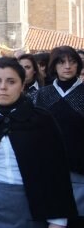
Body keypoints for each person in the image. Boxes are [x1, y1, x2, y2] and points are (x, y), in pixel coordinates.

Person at [0, 57, 77, 227]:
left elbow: (57, 173)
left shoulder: (42, 121)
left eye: (11, 81)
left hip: (33, 209)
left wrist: (57, 222)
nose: (3, 87)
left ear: (22, 85)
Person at [35, 46, 84, 226]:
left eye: (72, 62)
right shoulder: (41, 95)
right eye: (61, 62)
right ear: (54, 66)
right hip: (48, 168)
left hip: (79, 171)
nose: (67, 66)